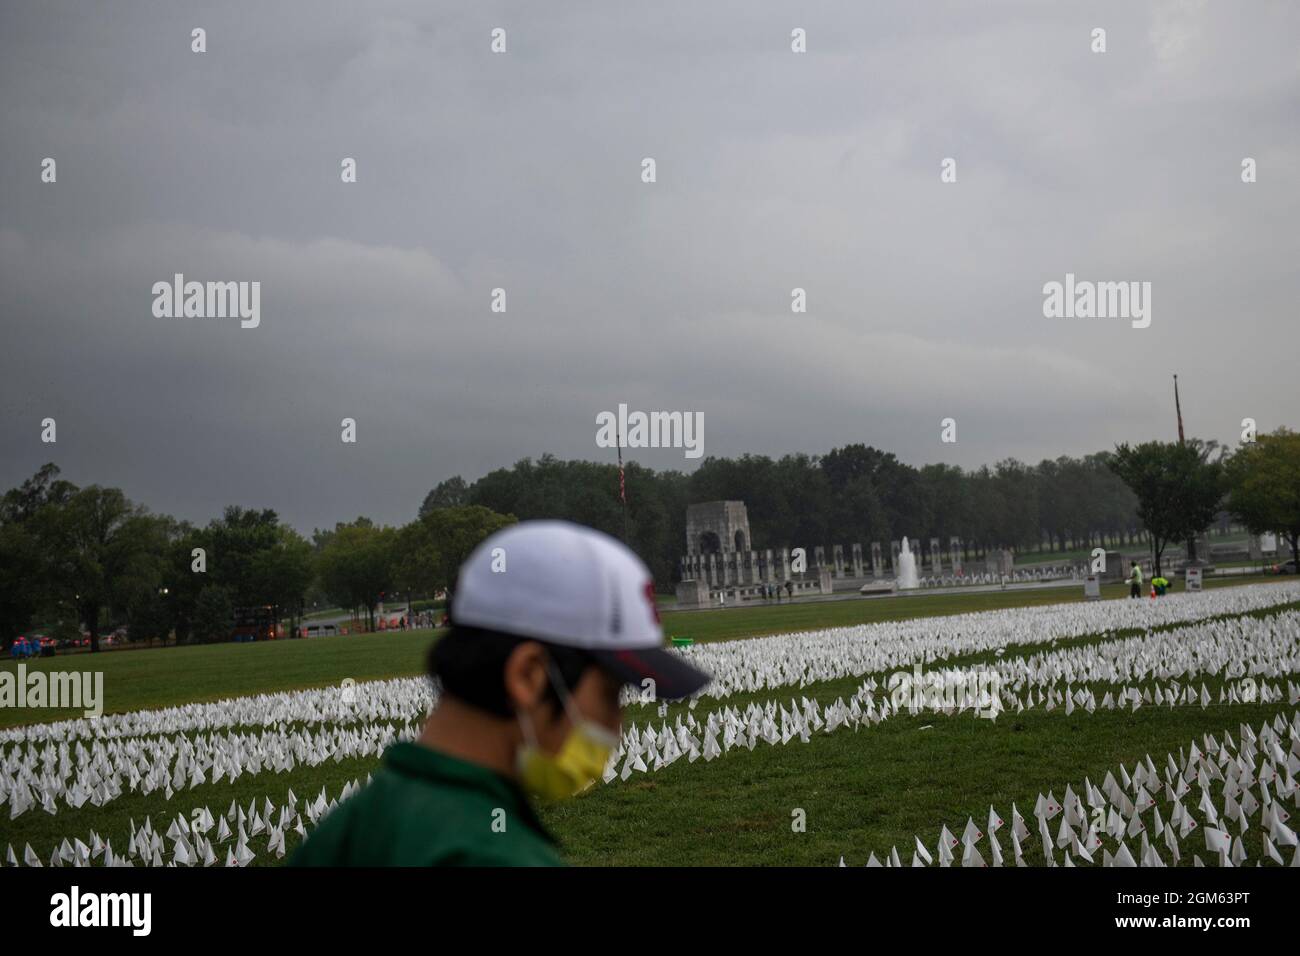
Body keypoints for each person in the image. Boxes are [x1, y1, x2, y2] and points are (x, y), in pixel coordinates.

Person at [291, 520, 710, 867]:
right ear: (528, 676)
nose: (616, 728)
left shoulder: (349, 827)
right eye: (610, 694)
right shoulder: (497, 856)